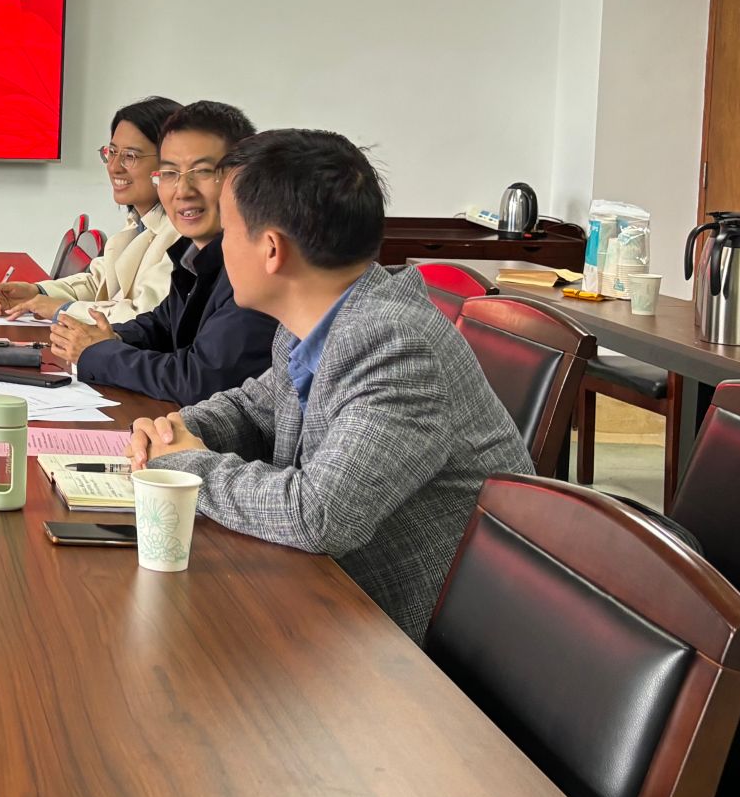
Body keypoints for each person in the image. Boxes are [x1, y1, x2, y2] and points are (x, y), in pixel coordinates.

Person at [130, 128, 535, 641]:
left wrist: (187, 466)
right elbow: (255, 409)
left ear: (271, 249)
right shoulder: (316, 323)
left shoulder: (395, 345)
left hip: (418, 647)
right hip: (327, 604)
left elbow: (321, 515)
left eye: (228, 231)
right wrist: (180, 430)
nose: (221, 248)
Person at [48, 101, 275, 403]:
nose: (183, 190)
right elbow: (162, 325)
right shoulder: (194, 255)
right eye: (169, 173)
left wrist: (99, 352)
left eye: (202, 171)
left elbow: (201, 380)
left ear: (242, 178)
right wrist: (111, 338)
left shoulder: (256, 268)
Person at [0, 96, 180, 324]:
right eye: (112, 152)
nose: (113, 167)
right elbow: (98, 283)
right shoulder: (140, 222)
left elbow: (145, 315)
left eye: (130, 156)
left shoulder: (182, 236)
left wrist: (61, 309)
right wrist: (37, 292)